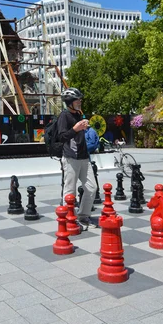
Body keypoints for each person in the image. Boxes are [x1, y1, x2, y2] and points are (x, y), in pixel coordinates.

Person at [56, 88, 97, 230]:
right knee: (70, 191)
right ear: (69, 102)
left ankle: (83, 216)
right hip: (71, 157)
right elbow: (61, 137)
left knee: (92, 188)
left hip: (84, 157)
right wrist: (75, 129)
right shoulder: (64, 116)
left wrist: (83, 127)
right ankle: (68, 219)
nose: (80, 101)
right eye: (77, 99)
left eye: (80, 99)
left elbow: (79, 133)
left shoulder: (79, 114)